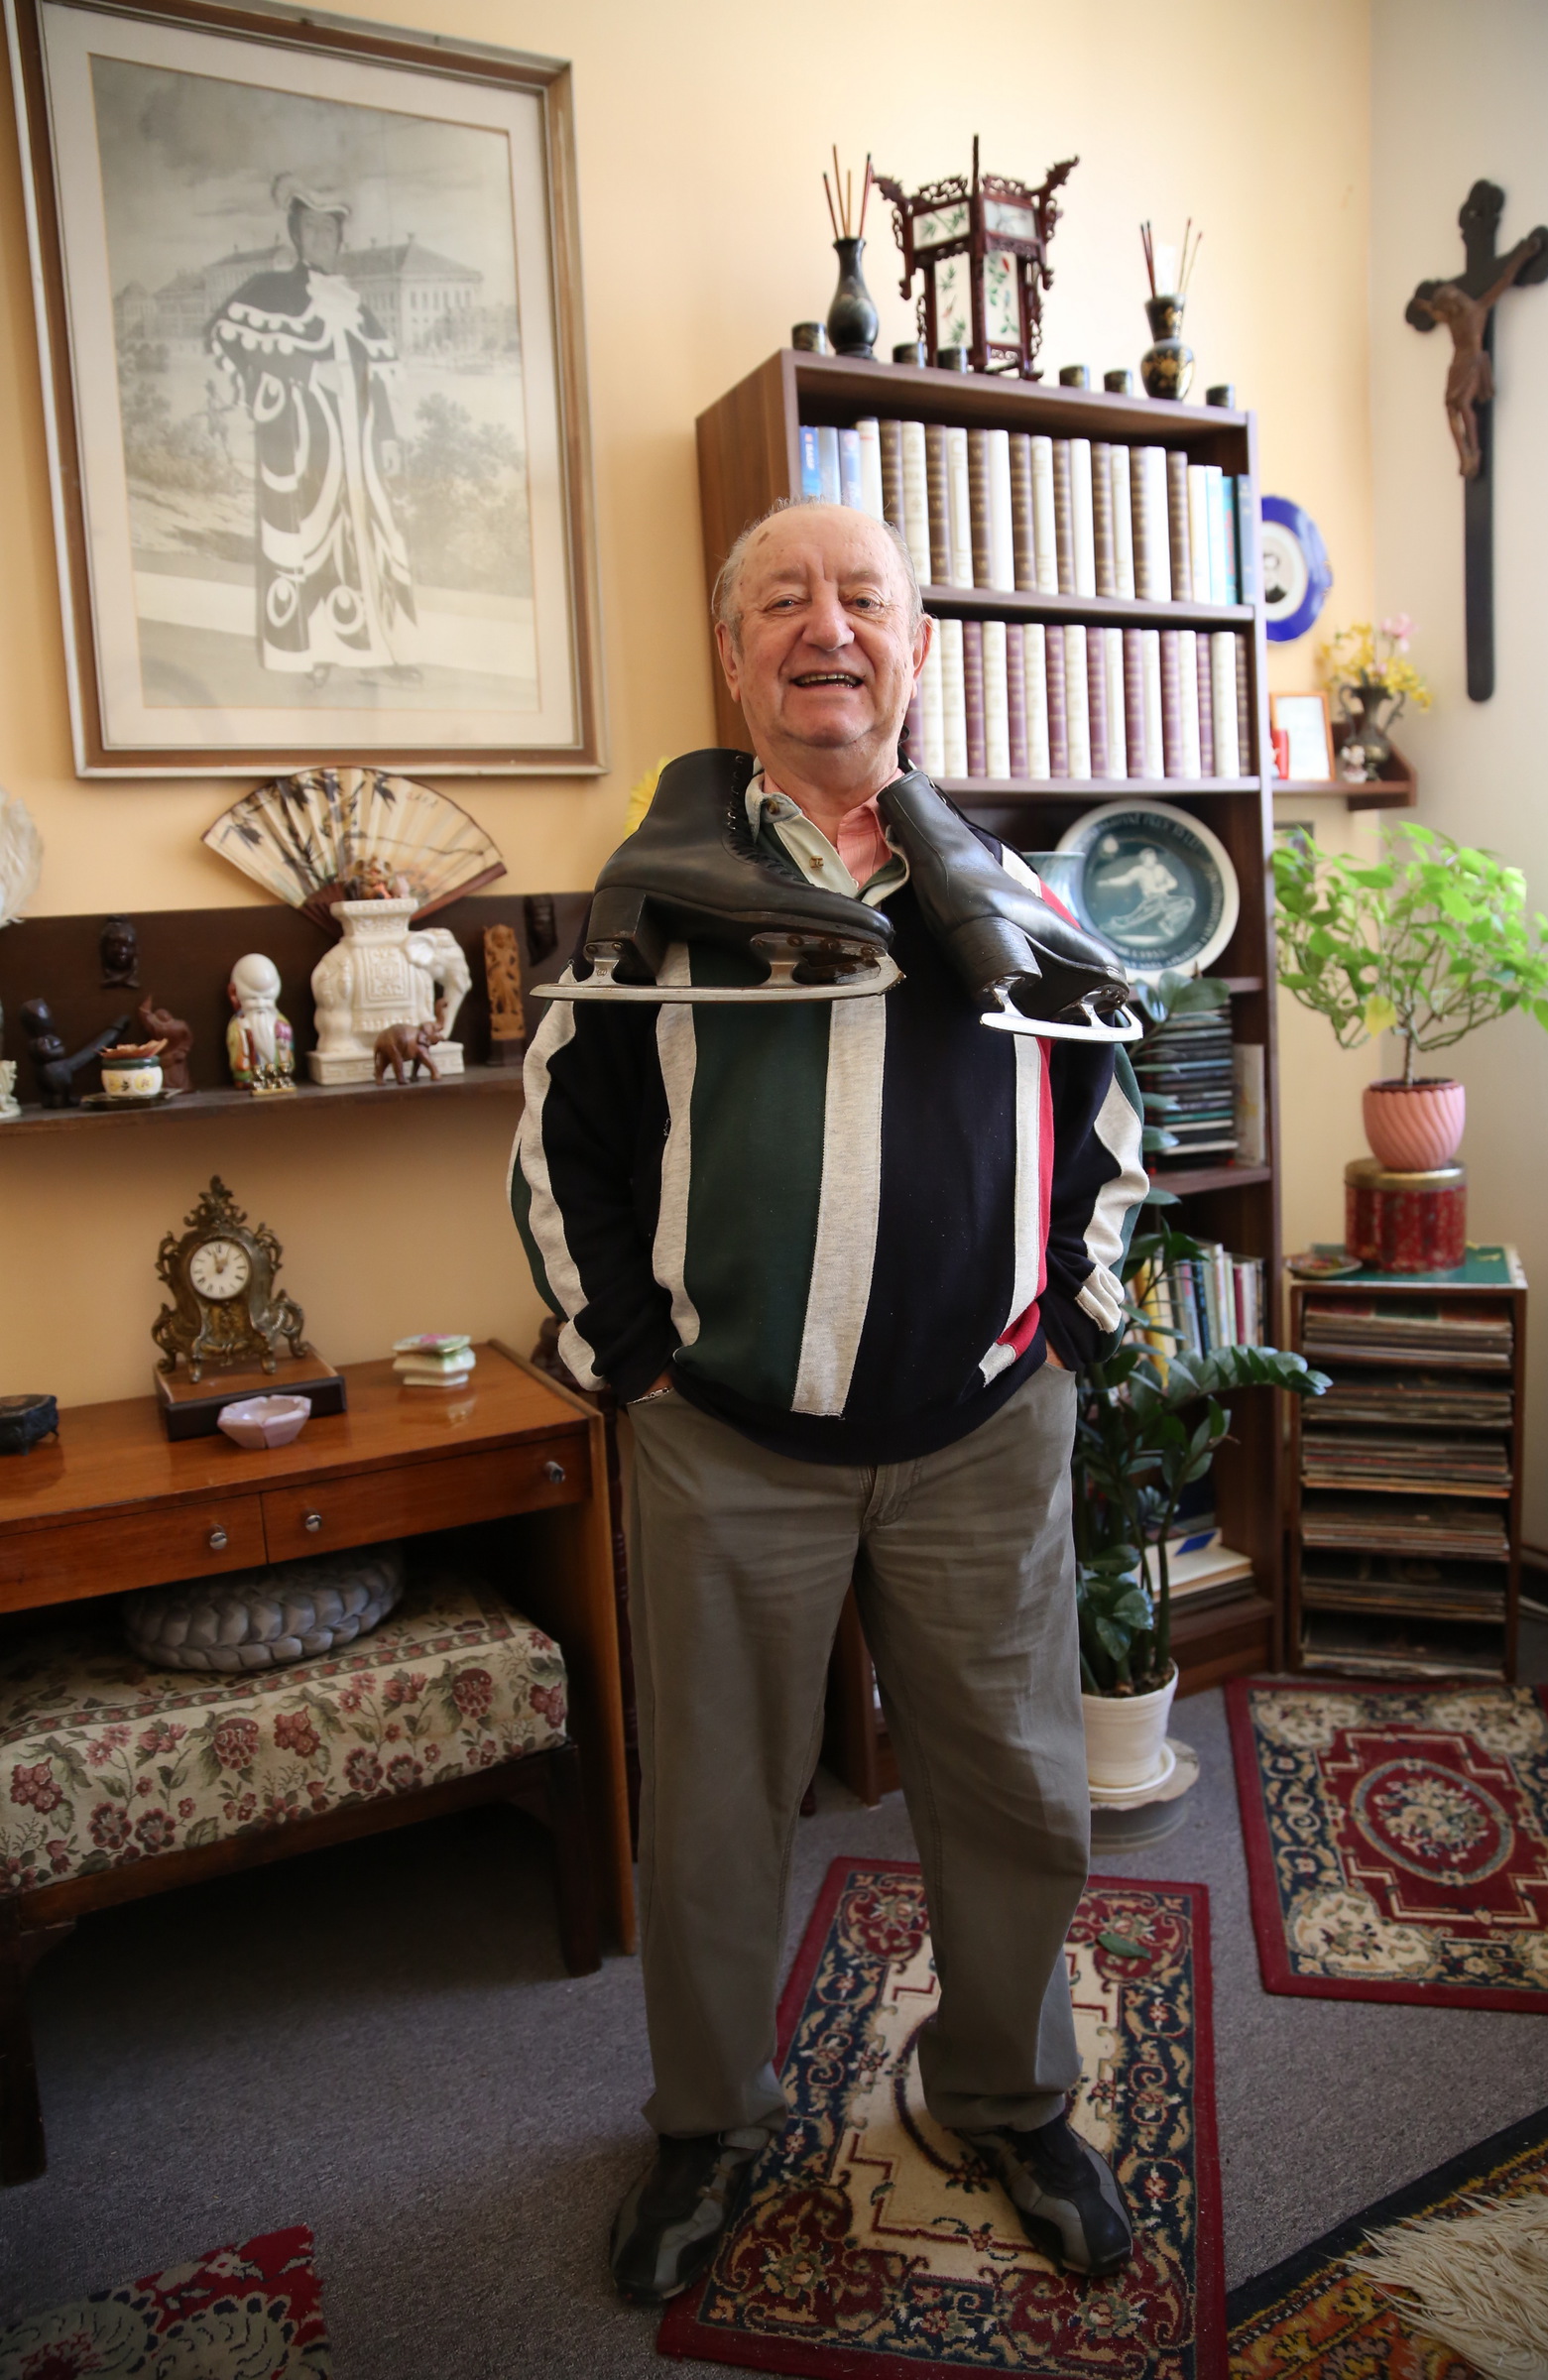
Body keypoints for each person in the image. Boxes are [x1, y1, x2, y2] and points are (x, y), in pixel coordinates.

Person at [510, 500, 1148, 2304]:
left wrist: (1067, 1327)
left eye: (865, 597)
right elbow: (564, 1143)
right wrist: (629, 1360)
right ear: (735, 659)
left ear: (917, 649)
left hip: (982, 1434)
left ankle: (1005, 2098)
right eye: (782, 601)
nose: (827, 628)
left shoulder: (1016, 899)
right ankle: (711, 2124)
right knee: (716, 1812)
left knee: (1019, 1791)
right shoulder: (654, 903)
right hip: (729, 1444)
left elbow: (1109, 1118)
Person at [208, 176, 418, 682]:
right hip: (306, 443)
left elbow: (375, 376)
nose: (321, 238)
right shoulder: (270, 290)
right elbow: (230, 339)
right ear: (296, 236)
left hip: (360, 444)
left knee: (371, 535)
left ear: (340, 239)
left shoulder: (354, 303)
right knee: (312, 536)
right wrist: (305, 372)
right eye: (311, 228)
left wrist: (388, 436)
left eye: (329, 230)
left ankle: (386, 650)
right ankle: (318, 651)